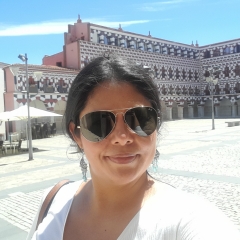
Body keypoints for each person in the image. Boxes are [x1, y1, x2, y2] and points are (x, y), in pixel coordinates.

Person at [27, 53, 240, 240]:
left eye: (139, 119)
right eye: (99, 123)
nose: (122, 137)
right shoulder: (53, 201)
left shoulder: (190, 218)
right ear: (76, 134)